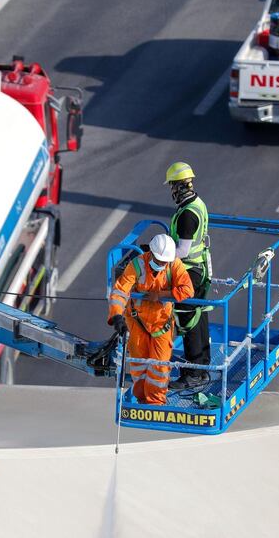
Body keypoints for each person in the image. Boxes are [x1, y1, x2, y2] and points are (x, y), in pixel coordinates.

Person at [108, 233, 193, 405]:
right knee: (139, 365)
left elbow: (187, 290)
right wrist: (116, 315)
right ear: (151, 254)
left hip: (161, 325)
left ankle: (155, 403)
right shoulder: (138, 265)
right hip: (136, 323)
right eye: (159, 260)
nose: (162, 264)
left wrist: (161, 295)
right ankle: (141, 400)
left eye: (164, 261)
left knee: (160, 367)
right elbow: (120, 291)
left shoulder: (174, 265)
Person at [164, 162, 213, 389]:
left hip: (190, 270)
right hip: (200, 267)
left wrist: (160, 252)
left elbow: (183, 250)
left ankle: (194, 373)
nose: (171, 190)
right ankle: (202, 366)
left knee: (188, 319)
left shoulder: (187, 214)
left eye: (172, 186)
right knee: (199, 314)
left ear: (179, 186)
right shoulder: (197, 203)